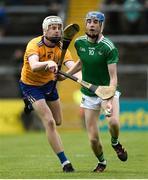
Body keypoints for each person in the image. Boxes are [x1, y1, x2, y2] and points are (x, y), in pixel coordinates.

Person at [65, 11, 128, 172]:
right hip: (89, 94)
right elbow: (81, 62)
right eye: (89, 22)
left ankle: (115, 142)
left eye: (96, 22)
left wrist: (109, 95)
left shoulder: (108, 47)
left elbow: (113, 77)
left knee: (113, 122)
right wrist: (66, 75)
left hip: (107, 91)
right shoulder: (79, 43)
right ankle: (102, 162)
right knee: (93, 139)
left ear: (101, 25)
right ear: (85, 24)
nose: (92, 25)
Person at [19, 15, 75, 172]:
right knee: (49, 122)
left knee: (58, 121)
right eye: (53, 28)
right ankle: (65, 163)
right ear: (45, 30)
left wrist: (64, 76)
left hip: (49, 84)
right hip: (31, 86)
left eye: (58, 28)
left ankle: (31, 104)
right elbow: (34, 65)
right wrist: (48, 63)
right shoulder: (34, 44)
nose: (57, 31)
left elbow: (72, 69)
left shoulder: (62, 47)